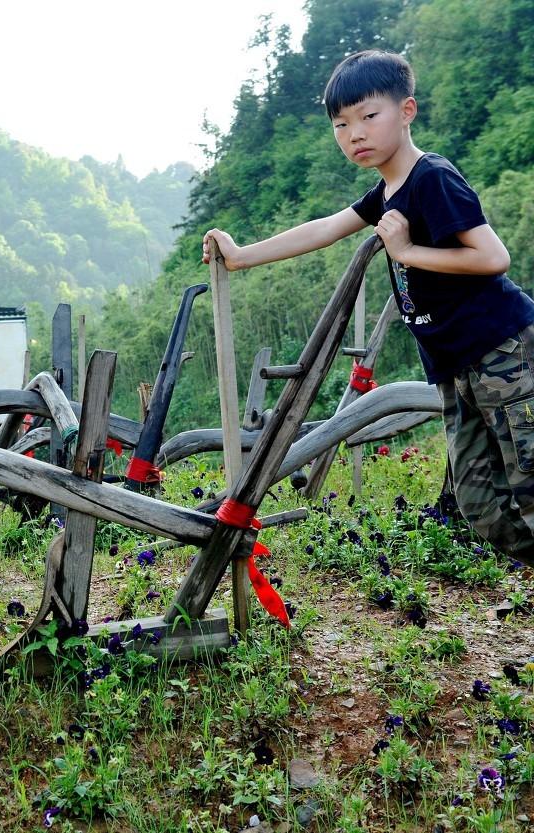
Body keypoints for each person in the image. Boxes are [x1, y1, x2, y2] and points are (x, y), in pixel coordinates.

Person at [203, 50, 534, 562]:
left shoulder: (433, 179)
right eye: (341, 123)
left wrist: (406, 252)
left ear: (407, 111)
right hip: (457, 369)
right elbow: (324, 228)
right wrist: (242, 256)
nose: (354, 133)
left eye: (368, 116)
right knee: (479, 504)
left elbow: (493, 257)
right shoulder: (385, 193)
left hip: (505, 354)